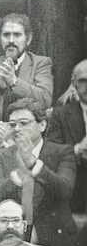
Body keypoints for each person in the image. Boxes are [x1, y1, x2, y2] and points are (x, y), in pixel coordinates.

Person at [0, 100, 80, 246]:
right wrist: (12, 181)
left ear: (42, 125)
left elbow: (65, 189)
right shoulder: (2, 155)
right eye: (12, 124)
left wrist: (32, 163)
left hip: (56, 243)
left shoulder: (62, 152)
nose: (17, 129)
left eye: (24, 123)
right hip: (12, 239)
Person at [0, 14, 53, 115]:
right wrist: (0, 87)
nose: (11, 40)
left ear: (28, 39)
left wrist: (14, 81)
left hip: (25, 123)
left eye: (17, 35)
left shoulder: (41, 63)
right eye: (6, 35)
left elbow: (45, 100)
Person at [47, 59, 87, 214]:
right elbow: (51, 154)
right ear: (74, 83)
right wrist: (76, 151)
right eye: (83, 81)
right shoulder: (60, 115)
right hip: (75, 194)